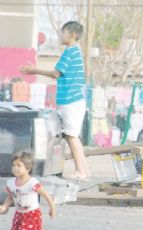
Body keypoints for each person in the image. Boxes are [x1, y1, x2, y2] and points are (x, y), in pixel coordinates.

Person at [20, 21, 90, 181]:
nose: (60, 35)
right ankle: (84, 170)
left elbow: (56, 74)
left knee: (71, 136)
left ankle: (80, 170)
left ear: (72, 35)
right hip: (75, 100)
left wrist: (35, 70)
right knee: (73, 136)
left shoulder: (70, 52)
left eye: (63, 32)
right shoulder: (76, 52)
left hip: (70, 100)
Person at [0, 151, 56, 230]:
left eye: (19, 165)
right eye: (13, 165)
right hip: (19, 214)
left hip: (32, 214)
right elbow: (10, 197)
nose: (15, 168)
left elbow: (46, 195)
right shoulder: (11, 183)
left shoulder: (32, 183)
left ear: (28, 168)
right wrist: (4, 206)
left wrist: (52, 208)